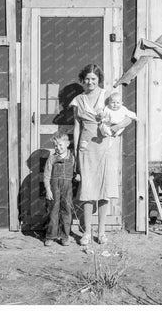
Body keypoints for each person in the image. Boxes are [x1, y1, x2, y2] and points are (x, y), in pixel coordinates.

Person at [69, 64, 132, 245]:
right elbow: (76, 127)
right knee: (87, 189)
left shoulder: (107, 97)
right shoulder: (78, 100)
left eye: (94, 79)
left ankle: (102, 232)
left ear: (99, 80)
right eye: (87, 79)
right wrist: (76, 151)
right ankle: (87, 232)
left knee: (105, 189)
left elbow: (126, 117)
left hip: (106, 146)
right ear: (83, 80)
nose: (90, 82)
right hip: (86, 148)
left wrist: (117, 126)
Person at [43, 132, 76, 247]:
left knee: (66, 211)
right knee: (53, 211)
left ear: (67, 144)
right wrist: (48, 189)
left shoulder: (72, 157)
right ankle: (50, 236)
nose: (58, 148)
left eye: (61, 145)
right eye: (56, 146)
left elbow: (76, 172)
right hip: (54, 188)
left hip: (67, 189)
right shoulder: (52, 158)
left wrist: (77, 176)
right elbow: (46, 176)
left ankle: (65, 236)